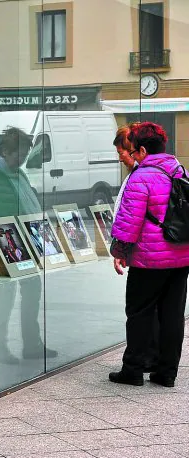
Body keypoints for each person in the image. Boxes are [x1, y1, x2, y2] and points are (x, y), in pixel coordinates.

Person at [109, 122, 189, 387]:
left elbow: (129, 220)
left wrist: (119, 250)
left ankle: (133, 369)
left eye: (134, 150)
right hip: (180, 255)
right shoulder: (179, 169)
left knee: (140, 311)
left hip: (150, 258)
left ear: (142, 149)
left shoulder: (141, 175)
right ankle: (166, 373)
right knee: (172, 314)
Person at [0, 126, 57, 362]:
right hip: (4, 242)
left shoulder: (18, 175)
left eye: (25, 156)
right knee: (5, 296)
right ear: (5, 151)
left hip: (25, 242)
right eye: (19, 155)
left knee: (32, 291)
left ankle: (32, 344)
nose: (22, 160)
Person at [113, 123, 139, 215]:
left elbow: (129, 219)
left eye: (120, 153)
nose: (120, 159)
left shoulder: (139, 178)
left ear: (131, 150)